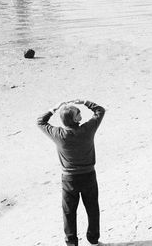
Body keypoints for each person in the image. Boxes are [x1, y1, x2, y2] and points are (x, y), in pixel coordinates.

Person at [37, 99, 106, 246]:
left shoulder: (59, 134)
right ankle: (93, 240)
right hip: (88, 176)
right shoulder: (87, 129)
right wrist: (85, 102)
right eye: (78, 112)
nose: (80, 114)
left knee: (69, 212)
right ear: (75, 119)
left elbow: (40, 122)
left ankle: (71, 243)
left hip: (69, 179)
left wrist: (53, 109)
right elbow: (100, 111)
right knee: (92, 208)